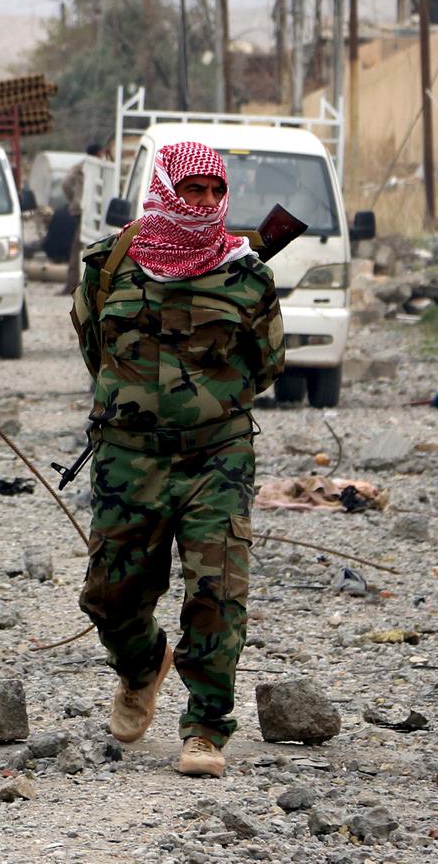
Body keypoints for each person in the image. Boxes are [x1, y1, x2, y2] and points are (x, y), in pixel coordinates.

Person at [69, 141, 285, 778]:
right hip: (126, 459)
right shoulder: (109, 265)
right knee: (109, 597)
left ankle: (206, 729)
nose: (207, 203)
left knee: (218, 594)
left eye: (217, 192)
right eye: (193, 190)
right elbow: (93, 348)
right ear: (166, 189)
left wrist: (205, 404)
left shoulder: (247, 275)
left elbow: (268, 364)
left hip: (215, 458)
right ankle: (141, 668)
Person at [58, 141, 106, 295]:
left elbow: (65, 184)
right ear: (99, 153)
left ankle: (73, 284)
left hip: (82, 210)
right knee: (81, 246)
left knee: (78, 247)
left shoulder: (81, 166)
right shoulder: (101, 167)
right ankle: (75, 285)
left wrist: (74, 201)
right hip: (94, 211)